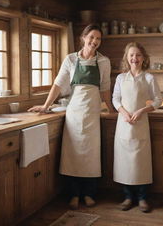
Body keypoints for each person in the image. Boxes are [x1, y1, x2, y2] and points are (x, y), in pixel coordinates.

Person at [28, 23, 114, 209]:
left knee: (91, 155)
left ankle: (89, 194)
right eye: (91, 37)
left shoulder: (104, 62)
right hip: (74, 114)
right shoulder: (70, 60)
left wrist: (111, 109)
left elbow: (105, 88)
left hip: (93, 113)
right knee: (72, 155)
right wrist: (45, 106)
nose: (94, 41)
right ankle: (74, 194)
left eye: (98, 39)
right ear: (83, 37)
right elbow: (58, 84)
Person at [112, 42, 162, 213]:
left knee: (140, 162)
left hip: (140, 124)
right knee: (124, 162)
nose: (135, 58)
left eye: (138, 55)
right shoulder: (120, 78)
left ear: (144, 58)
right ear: (127, 58)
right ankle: (127, 197)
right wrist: (123, 112)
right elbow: (115, 99)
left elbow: (158, 100)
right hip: (124, 124)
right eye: (131, 55)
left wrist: (142, 110)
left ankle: (142, 198)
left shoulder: (149, 78)